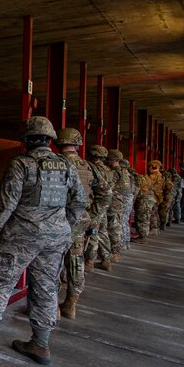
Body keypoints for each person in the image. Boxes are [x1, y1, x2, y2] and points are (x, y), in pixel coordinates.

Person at [0, 116, 85, 365]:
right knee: (46, 287)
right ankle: (40, 345)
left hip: (21, 236)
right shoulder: (67, 166)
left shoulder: (22, 164)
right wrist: (63, 226)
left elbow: (5, 205)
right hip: (56, 238)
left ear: (26, 140)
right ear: (50, 140)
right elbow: (79, 202)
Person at [54, 128, 105, 319]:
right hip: (80, 221)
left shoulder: (55, 163)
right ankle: (70, 305)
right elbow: (105, 193)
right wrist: (93, 216)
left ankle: (52, 308)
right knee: (76, 261)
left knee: (52, 263)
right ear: (78, 144)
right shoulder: (88, 167)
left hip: (58, 220)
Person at [83, 145, 114, 271]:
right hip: (104, 205)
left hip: (94, 205)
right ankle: (106, 260)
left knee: (92, 233)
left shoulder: (93, 169)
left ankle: (89, 261)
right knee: (102, 231)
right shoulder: (108, 170)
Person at [106, 150, 132, 260]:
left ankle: (115, 252)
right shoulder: (125, 172)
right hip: (122, 202)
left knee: (113, 226)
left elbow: (107, 187)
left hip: (114, 202)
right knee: (119, 224)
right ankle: (121, 246)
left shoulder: (114, 172)